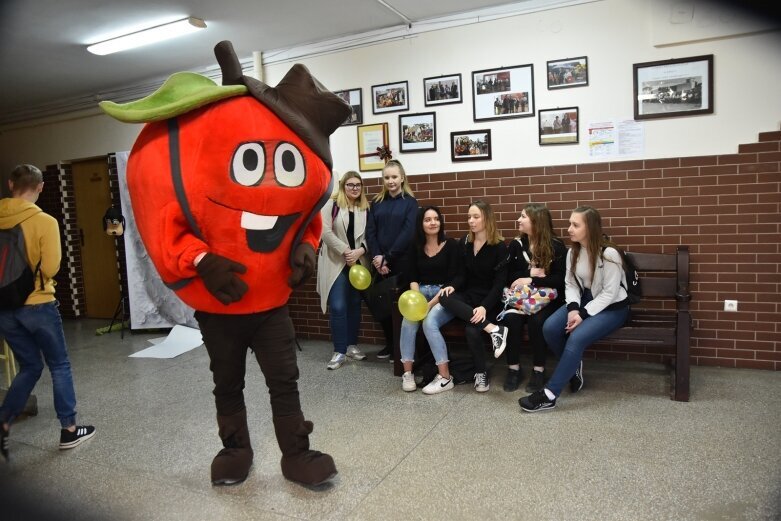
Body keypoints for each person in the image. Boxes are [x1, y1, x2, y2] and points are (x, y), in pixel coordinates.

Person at [0, 164, 95, 462]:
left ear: (10, 184)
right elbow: (52, 267)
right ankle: (69, 430)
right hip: (38, 304)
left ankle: (3, 422)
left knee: (29, 366)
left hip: (4, 307)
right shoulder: (45, 221)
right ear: (40, 188)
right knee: (59, 365)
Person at [520, 206, 631, 412]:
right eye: (570, 223)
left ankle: (550, 394)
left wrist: (582, 314)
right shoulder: (573, 252)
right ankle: (573, 366)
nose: (569, 229)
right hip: (584, 302)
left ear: (590, 228)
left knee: (576, 337)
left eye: (575, 225)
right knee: (550, 328)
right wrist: (572, 309)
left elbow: (609, 293)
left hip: (613, 307)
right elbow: (570, 284)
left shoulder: (609, 254)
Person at [439, 200, 508, 393]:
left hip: (490, 301)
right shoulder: (465, 242)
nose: (471, 221)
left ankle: (481, 373)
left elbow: (498, 284)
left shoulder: (500, 247)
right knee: (444, 296)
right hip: (469, 298)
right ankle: (493, 329)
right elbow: (461, 274)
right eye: (469, 216)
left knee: (471, 330)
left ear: (487, 218)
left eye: (476, 217)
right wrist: (452, 286)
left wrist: (485, 307)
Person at [497, 203, 566, 393]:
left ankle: (538, 370)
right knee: (511, 319)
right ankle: (513, 369)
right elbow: (507, 276)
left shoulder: (557, 246)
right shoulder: (516, 245)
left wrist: (531, 279)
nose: (518, 220)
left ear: (536, 222)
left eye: (523, 216)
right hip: (520, 299)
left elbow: (560, 279)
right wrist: (530, 272)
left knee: (537, 321)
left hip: (548, 300)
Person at [399, 206, 460, 394]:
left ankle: (445, 377)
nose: (432, 222)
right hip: (420, 293)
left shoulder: (451, 245)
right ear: (421, 223)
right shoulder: (415, 246)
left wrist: (428, 305)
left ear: (440, 222)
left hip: (444, 296)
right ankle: (407, 373)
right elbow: (412, 276)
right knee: (408, 322)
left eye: (436, 219)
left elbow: (455, 279)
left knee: (428, 322)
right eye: (427, 219)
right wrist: (417, 300)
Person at [316, 171, 370, 370]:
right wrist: (346, 251)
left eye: (357, 185)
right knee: (338, 306)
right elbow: (324, 231)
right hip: (335, 261)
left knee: (355, 304)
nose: (354, 188)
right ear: (343, 186)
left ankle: (351, 346)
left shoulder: (365, 208)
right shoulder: (332, 204)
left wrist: (359, 251)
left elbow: (371, 234)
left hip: (358, 263)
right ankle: (339, 351)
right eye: (350, 185)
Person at [365, 159, 418, 360]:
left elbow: (408, 233)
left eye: (394, 177)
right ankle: (390, 344)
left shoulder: (410, 203)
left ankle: (402, 349)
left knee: (401, 308)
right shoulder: (377, 202)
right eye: (386, 177)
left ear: (402, 177)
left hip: (402, 262)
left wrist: (388, 257)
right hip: (380, 263)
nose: (391, 181)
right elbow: (371, 232)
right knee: (382, 305)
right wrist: (378, 258)